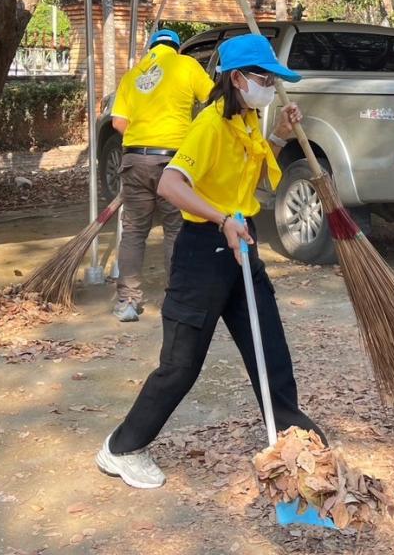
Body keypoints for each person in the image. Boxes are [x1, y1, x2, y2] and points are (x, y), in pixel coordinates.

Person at [96, 33, 326, 490]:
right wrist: (220, 218)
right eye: (263, 78)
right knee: (181, 365)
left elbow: (255, 180)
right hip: (204, 252)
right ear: (237, 79)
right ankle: (120, 449)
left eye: (274, 79)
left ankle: (293, 441)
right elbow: (171, 185)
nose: (269, 87)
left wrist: (278, 136)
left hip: (242, 245)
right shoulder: (209, 125)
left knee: (271, 352)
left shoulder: (246, 124)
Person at [109, 29, 215, 322]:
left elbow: (119, 122)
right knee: (175, 230)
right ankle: (176, 297)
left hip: (134, 159)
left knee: (133, 232)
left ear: (152, 47)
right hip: (173, 162)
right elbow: (213, 99)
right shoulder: (186, 65)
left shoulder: (133, 74)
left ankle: (127, 302)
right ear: (177, 47)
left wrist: (145, 136)